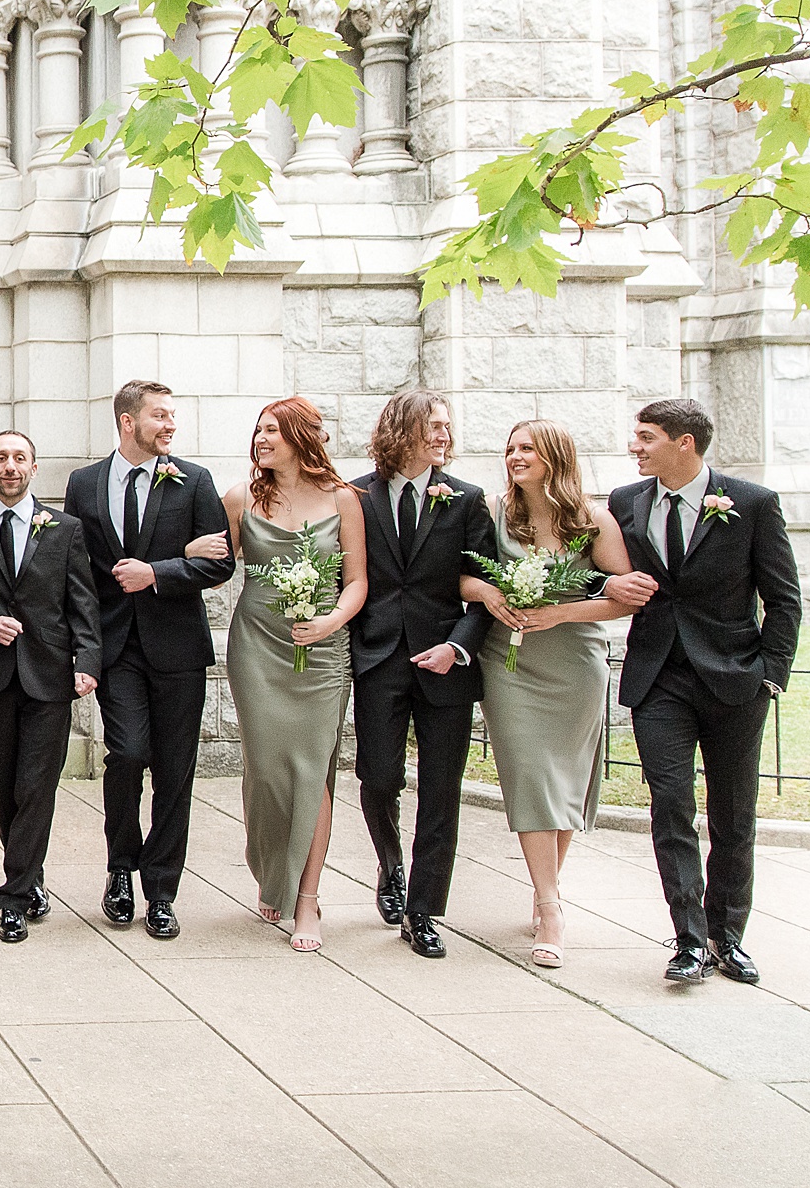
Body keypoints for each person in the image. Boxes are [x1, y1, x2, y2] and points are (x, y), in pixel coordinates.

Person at [611, 398, 800, 986]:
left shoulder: (751, 503)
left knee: (733, 814)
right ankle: (689, 940)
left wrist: (770, 674)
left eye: (645, 437)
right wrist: (612, 581)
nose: (634, 447)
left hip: (734, 680)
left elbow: (784, 597)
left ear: (684, 442)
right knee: (671, 805)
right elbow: (596, 569)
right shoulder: (625, 503)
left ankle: (728, 937)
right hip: (658, 677)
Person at [461, 419, 641, 968]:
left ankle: (547, 893)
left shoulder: (592, 520)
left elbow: (626, 595)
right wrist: (492, 593)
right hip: (510, 664)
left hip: (575, 665)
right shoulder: (494, 513)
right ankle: (549, 902)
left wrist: (559, 611)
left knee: (562, 785)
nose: (515, 457)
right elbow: (461, 578)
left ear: (554, 457)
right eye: (510, 448)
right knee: (531, 778)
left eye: (527, 450)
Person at [60, 380, 232, 939]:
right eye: (160, 416)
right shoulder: (83, 484)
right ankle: (119, 869)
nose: (171, 426)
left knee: (175, 770)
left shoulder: (194, 480)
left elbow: (220, 562)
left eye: (173, 417)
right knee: (128, 753)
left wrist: (158, 571)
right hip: (115, 647)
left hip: (176, 646)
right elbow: (74, 569)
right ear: (128, 422)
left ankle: (161, 890)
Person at [346, 389, 498, 960]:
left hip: (445, 662)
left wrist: (457, 648)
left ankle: (425, 911)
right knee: (379, 776)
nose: (444, 435)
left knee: (441, 790)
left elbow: (485, 586)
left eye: (447, 426)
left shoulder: (466, 499)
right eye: (434, 425)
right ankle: (390, 865)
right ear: (402, 429)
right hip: (380, 656)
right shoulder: (356, 495)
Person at [0, 431, 101, 943]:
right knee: (0, 784)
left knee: (37, 786)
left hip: (49, 674)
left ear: (34, 467)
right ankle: (29, 873)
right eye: (1, 459)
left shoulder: (66, 528)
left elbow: (83, 603)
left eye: (20, 458)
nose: (11, 467)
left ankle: (12, 896)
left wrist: (88, 660)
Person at [222, 397, 368, 953]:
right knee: (265, 769)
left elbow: (356, 580)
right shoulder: (241, 498)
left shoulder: (344, 500)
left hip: (323, 650)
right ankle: (271, 870)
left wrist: (330, 619)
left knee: (312, 770)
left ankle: (306, 898)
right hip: (258, 648)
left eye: (273, 431)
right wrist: (191, 549)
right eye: (258, 430)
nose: (261, 439)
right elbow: (215, 566)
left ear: (302, 437)